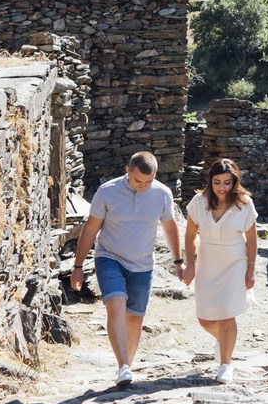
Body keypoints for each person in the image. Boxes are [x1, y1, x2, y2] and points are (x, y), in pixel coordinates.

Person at [70, 151, 183, 387]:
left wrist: (178, 261)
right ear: (127, 171)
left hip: (143, 264)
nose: (142, 186)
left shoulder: (162, 194)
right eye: (137, 181)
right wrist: (78, 266)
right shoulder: (107, 192)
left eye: (148, 182)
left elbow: (170, 228)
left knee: (135, 319)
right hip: (109, 257)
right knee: (116, 305)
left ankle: (127, 367)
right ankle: (122, 366)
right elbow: (91, 229)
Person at [181, 158, 258, 383]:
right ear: (210, 181)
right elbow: (189, 236)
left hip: (235, 263)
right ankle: (225, 341)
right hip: (207, 263)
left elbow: (252, 239)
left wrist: (250, 269)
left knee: (227, 313)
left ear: (235, 182)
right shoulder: (198, 202)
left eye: (227, 182)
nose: (222, 187)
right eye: (217, 182)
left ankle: (226, 364)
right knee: (204, 318)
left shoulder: (244, 204)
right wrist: (191, 265)